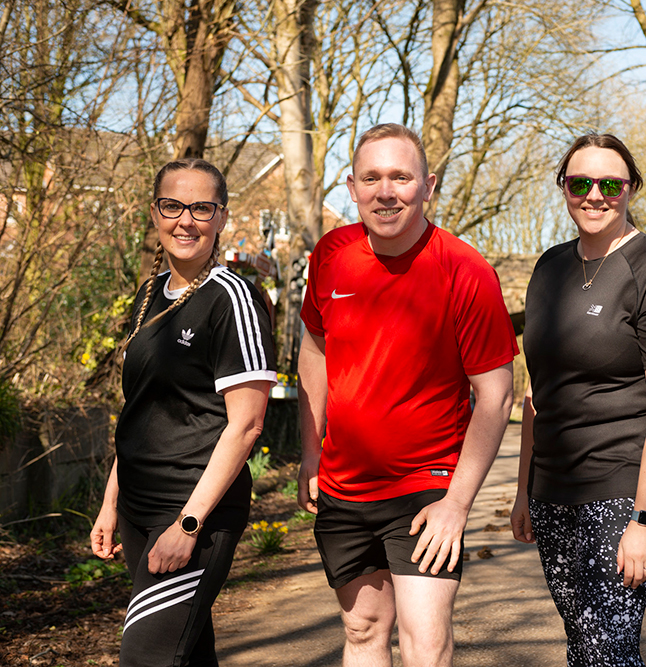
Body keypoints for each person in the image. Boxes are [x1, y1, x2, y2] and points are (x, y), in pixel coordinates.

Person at [296, 123, 517, 667]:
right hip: (345, 488)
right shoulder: (330, 254)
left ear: (428, 185)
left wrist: (457, 506)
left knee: (424, 639)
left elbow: (496, 395)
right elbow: (314, 352)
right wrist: (309, 453)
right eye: (371, 177)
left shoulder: (465, 270)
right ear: (351, 186)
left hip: (427, 488)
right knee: (363, 629)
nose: (385, 191)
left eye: (401, 177)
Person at [511, 133, 646, 667]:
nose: (595, 194)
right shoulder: (548, 270)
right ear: (564, 188)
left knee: (605, 651)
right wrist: (525, 490)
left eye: (611, 183)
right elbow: (536, 391)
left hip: (620, 487)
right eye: (580, 182)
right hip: (552, 490)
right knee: (583, 643)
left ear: (631, 188)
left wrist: (644, 519)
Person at [90, 158, 277, 666]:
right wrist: (112, 502)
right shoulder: (147, 297)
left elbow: (246, 424)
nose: (185, 220)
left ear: (220, 217)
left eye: (201, 208)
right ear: (155, 213)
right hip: (137, 507)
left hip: (194, 510)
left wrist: (189, 524)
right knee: (188, 654)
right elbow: (140, 409)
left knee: (146, 657)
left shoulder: (234, 298)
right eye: (173, 206)